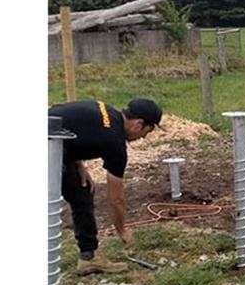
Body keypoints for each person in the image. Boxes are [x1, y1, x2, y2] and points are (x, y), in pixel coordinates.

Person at [48, 98, 163, 274]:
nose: (144, 137)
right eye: (147, 131)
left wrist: (77, 163)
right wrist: (122, 230)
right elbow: (115, 199)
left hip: (53, 140)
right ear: (138, 124)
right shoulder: (115, 142)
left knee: (81, 191)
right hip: (49, 144)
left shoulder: (105, 111)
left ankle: (88, 258)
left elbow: (71, 123)